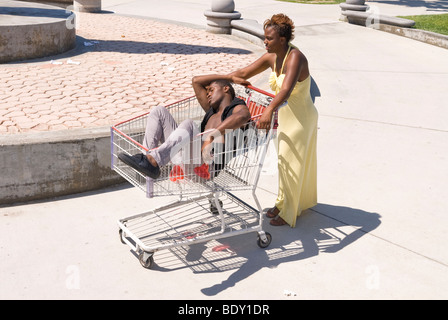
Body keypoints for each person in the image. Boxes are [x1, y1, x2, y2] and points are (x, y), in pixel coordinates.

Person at [228, 13, 318, 227]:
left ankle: (289, 213)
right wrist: (224, 79)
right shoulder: (271, 56)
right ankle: (283, 201)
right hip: (286, 115)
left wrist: (268, 111)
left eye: (269, 38)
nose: (264, 41)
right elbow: (244, 72)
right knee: (283, 161)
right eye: (264, 37)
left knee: (291, 162)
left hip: (301, 117)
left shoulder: (295, 57)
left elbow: (285, 90)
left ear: (283, 40)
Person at [118, 74, 251, 180]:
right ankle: (148, 161)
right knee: (158, 111)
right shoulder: (211, 110)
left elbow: (244, 116)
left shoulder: (235, 106)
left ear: (226, 89)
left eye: (211, 90)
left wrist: (211, 136)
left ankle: (153, 160)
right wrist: (230, 78)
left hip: (206, 167)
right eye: (208, 91)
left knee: (189, 124)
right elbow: (196, 81)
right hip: (187, 157)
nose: (208, 94)